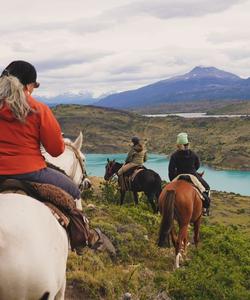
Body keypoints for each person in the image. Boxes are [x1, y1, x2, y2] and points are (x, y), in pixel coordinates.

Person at [0, 60, 81, 202]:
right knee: (73, 191)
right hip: (29, 171)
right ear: (27, 85)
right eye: (33, 86)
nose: (32, 90)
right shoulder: (38, 109)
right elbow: (56, 150)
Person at [168, 132, 211, 215]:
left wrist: (172, 180)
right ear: (188, 144)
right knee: (207, 188)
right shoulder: (193, 154)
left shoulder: (174, 156)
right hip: (192, 175)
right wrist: (192, 171)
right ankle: (205, 209)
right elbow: (197, 165)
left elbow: (171, 170)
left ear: (178, 145)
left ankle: (160, 208)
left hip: (179, 175)